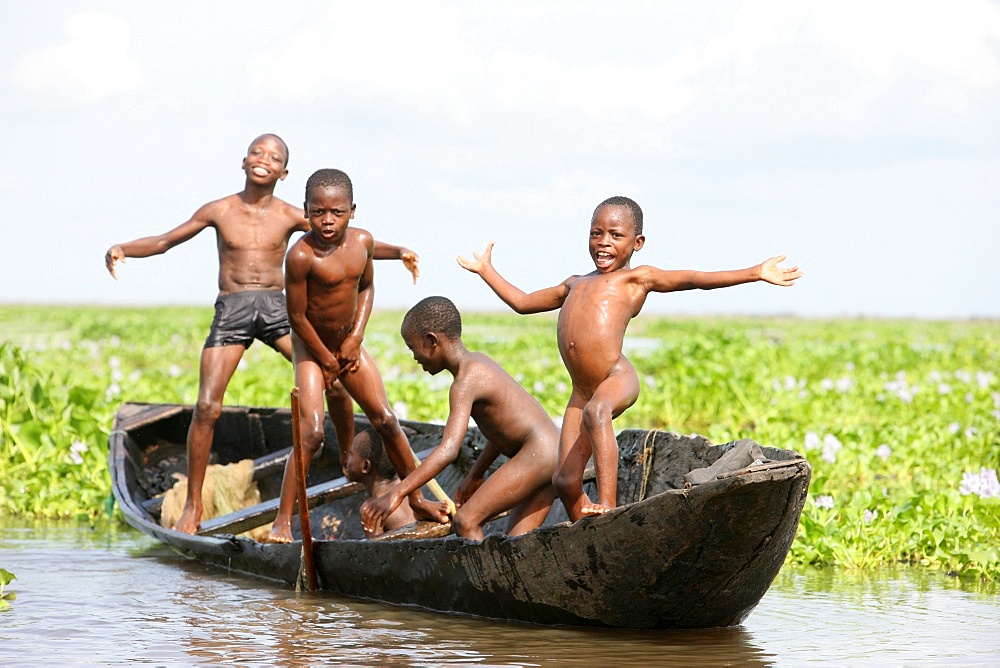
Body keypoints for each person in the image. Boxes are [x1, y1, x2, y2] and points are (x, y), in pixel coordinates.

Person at [104, 134, 419, 534]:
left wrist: (401, 252)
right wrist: (124, 249)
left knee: (336, 385)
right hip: (234, 308)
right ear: (243, 161)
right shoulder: (220, 209)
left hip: (276, 307)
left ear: (284, 172)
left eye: (274, 157)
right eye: (257, 152)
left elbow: (348, 240)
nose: (263, 159)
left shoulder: (294, 215)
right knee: (207, 407)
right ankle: (194, 505)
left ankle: (345, 465)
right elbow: (167, 240)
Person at [458, 195, 803, 521]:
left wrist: (755, 272)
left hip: (615, 379)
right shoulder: (574, 284)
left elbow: (694, 279)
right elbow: (522, 302)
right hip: (581, 392)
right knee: (564, 481)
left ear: (636, 243)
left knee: (598, 412)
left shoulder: (637, 279)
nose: (604, 242)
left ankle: (609, 505)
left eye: (615, 235)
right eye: (596, 233)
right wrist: (486, 270)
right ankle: (586, 529)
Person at [268, 168, 450, 543]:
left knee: (385, 419)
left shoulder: (363, 243)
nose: (328, 221)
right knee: (313, 433)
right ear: (306, 211)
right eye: (318, 213)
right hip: (311, 346)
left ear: (352, 210)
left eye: (337, 212)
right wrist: (326, 359)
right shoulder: (300, 255)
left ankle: (415, 500)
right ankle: (282, 521)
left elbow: (366, 288)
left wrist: (355, 338)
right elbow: (297, 317)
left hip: (347, 344)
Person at [360, 296, 559, 540]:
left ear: (432, 341)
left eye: (413, 348)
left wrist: (397, 493)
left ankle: (481, 579)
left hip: (539, 454)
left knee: (465, 521)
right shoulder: (478, 362)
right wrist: (475, 473)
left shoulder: (466, 380)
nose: (414, 357)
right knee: (516, 544)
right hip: (549, 453)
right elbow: (500, 431)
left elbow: (449, 449)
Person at [345, 430, 416, 538]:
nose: (346, 461)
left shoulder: (371, 509)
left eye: (351, 454)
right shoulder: (408, 488)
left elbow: (377, 550)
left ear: (365, 466)